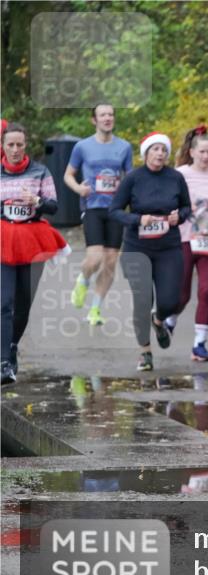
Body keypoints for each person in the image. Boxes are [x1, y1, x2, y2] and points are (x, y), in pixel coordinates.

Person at [110, 132, 191, 371]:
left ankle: (158, 320)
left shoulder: (175, 177)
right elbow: (114, 210)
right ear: (146, 153)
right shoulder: (133, 178)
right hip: (138, 248)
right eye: (155, 149)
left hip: (168, 247)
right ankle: (145, 352)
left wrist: (180, 216)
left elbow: (186, 206)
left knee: (171, 300)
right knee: (142, 300)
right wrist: (137, 219)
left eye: (164, 150)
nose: (160, 154)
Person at [1, 122, 69, 384]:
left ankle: (13, 345)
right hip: (4, 239)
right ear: (3, 147)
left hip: (32, 241)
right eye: (10, 145)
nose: (15, 150)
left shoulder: (40, 171)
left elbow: (54, 206)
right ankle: (4, 362)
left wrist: (37, 202)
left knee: (23, 303)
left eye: (20, 144)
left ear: (25, 144)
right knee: (3, 302)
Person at [65, 104, 133, 326]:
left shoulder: (124, 147)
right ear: (94, 120)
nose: (107, 118)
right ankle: (83, 279)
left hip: (115, 209)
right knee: (94, 258)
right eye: (103, 115)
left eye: (111, 114)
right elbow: (68, 175)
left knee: (111, 262)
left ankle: (95, 309)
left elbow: (130, 178)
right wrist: (78, 189)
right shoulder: (82, 147)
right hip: (92, 206)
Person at [170, 125, 208, 362]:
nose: (206, 156)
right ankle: (169, 321)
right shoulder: (180, 174)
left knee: (206, 290)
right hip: (184, 238)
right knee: (181, 294)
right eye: (202, 152)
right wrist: (182, 210)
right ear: (192, 152)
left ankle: (199, 344)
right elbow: (170, 203)